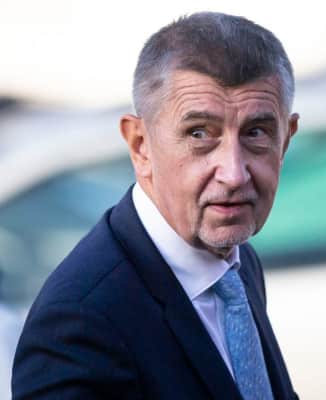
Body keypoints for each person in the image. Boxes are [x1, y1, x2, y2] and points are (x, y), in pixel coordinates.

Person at [12, 12, 299, 400]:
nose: (233, 174)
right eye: (199, 133)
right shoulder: (78, 323)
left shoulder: (236, 262)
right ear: (140, 145)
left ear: (286, 139)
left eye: (256, 132)